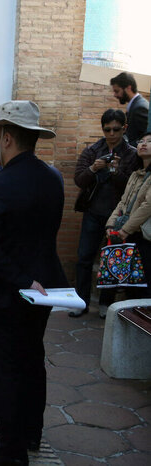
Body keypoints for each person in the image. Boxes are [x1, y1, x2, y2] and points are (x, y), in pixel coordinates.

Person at [0, 101, 68, 466]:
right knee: (30, 360)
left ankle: (11, 450)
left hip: (7, 292)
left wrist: (23, 281)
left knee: (5, 368)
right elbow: (28, 220)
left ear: (8, 137)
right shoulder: (52, 177)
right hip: (42, 291)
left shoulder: (2, 185)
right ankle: (29, 432)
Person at [72, 109, 138, 318]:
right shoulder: (93, 150)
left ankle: (105, 304)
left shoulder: (132, 154)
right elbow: (79, 180)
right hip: (93, 211)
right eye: (107, 129)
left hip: (118, 216)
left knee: (113, 260)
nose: (111, 134)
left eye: (116, 129)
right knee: (84, 258)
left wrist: (115, 171)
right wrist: (93, 168)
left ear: (124, 128)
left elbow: (133, 187)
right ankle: (81, 302)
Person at [106, 132, 151, 297]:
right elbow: (122, 202)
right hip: (128, 234)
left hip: (144, 236)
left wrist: (125, 230)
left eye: (149, 141)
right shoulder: (135, 174)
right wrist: (111, 225)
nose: (143, 144)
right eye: (141, 141)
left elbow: (147, 206)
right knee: (130, 284)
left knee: (144, 285)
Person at [110, 72, 149, 148]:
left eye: (117, 91)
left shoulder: (140, 108)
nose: (115, 95)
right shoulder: (135, 105)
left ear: (128, 88)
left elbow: (144, 138)